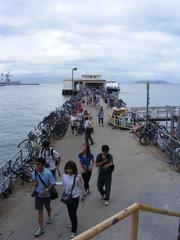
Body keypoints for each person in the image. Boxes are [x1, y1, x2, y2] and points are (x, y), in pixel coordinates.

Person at [32, 157, 56, 237]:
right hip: (38, 195)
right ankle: (40, 228)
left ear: (42, 165)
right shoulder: (34, 173)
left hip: (47, 195)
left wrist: (46, 190)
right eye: (36, 164)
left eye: (38, 164)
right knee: (40, 211)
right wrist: (34, 183)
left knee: (48, 207)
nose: (36, 166)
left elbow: (52, 183)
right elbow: (33, 181)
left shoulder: (48, 173)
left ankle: (49, 215)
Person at [62, 161, 85, 239]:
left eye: (70, 169)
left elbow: (82, 185)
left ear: (73, 169)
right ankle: (73, 223)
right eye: (67, 168)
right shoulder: (64, 175)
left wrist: (83, 194)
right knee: (70, 212)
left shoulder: (78, 177)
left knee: (73, 212)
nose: (68, 170)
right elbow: (64, 184)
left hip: (75, 197)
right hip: (68, 197)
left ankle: (73, 231)